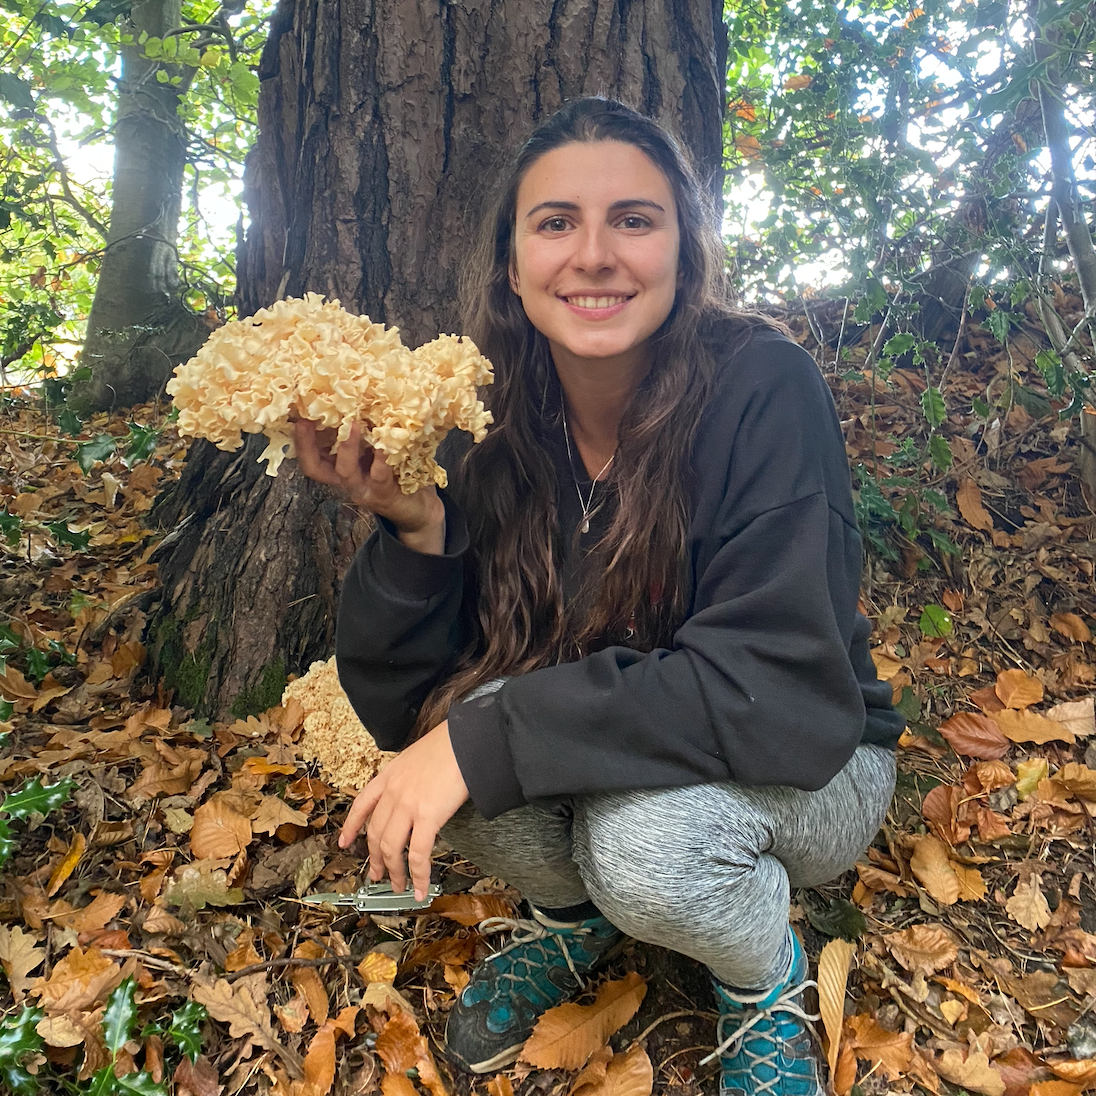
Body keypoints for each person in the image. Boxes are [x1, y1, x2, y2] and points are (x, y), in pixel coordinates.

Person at [294, 97, 903, 1096]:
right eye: (554, 222)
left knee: (638, 840)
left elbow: (775, 688)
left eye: (633, 218)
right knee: (440, 738)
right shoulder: (498, 431)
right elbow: (407, 697)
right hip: (630, 753)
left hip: (813, 761)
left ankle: (760, 974)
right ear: (511, 263)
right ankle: (572, 922)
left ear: (682, 249)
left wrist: (486, 742)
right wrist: (417, 528)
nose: (593, 255)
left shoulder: (764, 387)